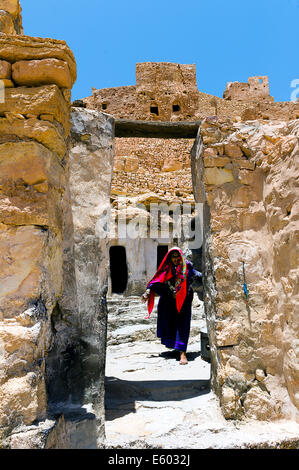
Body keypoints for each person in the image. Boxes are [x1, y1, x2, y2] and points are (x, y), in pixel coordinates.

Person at [141, 247, 202, 365]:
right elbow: (155, 280)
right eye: (173, 256)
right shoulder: (166, 267)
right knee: (172, 324)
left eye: (177, 256)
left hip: (184, 300)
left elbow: (195, 273)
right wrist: (147, 292)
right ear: (170, 257)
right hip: (170, 301)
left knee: (183, 325)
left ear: (181, 255)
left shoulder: (187, 265)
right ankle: (176, 348)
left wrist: (207, 275)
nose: (176, 259)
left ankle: (182, 353)